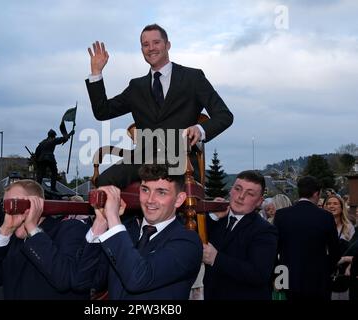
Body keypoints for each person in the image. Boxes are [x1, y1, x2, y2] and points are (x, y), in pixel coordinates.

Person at [86, 23, 233, 188]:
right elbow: (102, 112)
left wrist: (200, 129)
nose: (151, 48)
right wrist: (96, 72)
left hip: (180, 159)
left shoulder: (193, 78)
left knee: (162, 184)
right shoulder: (136, 87)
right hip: (142, 158)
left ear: (167, 45)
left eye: (156, 42)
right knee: (104, 183)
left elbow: (224, 116)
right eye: (145, 44)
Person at [74, 163, 203, 299]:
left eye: (161, 192)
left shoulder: (188, 242)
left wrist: (113, 217)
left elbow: (138, 278)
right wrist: (101, 223)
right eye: (145, 190)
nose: (150, 200)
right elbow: (82, 282)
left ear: (179, 199)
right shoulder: (125, 232)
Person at [0, 179, 90, 299]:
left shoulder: (70, 229)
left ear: (37, 206)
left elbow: (66, 280)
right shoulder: (12, 242)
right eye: (8, 207)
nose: (12, 213)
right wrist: (4, 233)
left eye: (17, 206)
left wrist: (32, 229)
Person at [202, 170, 278, 300]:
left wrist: (216, 258)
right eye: (238, 189)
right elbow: (191, 239)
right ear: (230, 191)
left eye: (250, 194)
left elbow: (259, 274)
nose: (241, 196)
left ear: (259, 201)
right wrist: (213, 216)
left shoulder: (265, 231)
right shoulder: (216, 218)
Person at [274, 176, 340, 300]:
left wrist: (279, 277)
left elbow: (274, 250)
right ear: (316, 193)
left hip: (289, 278)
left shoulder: (281, 215)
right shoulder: (326, 217)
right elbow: (335, 251)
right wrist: (327, 270)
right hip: (319, 280)